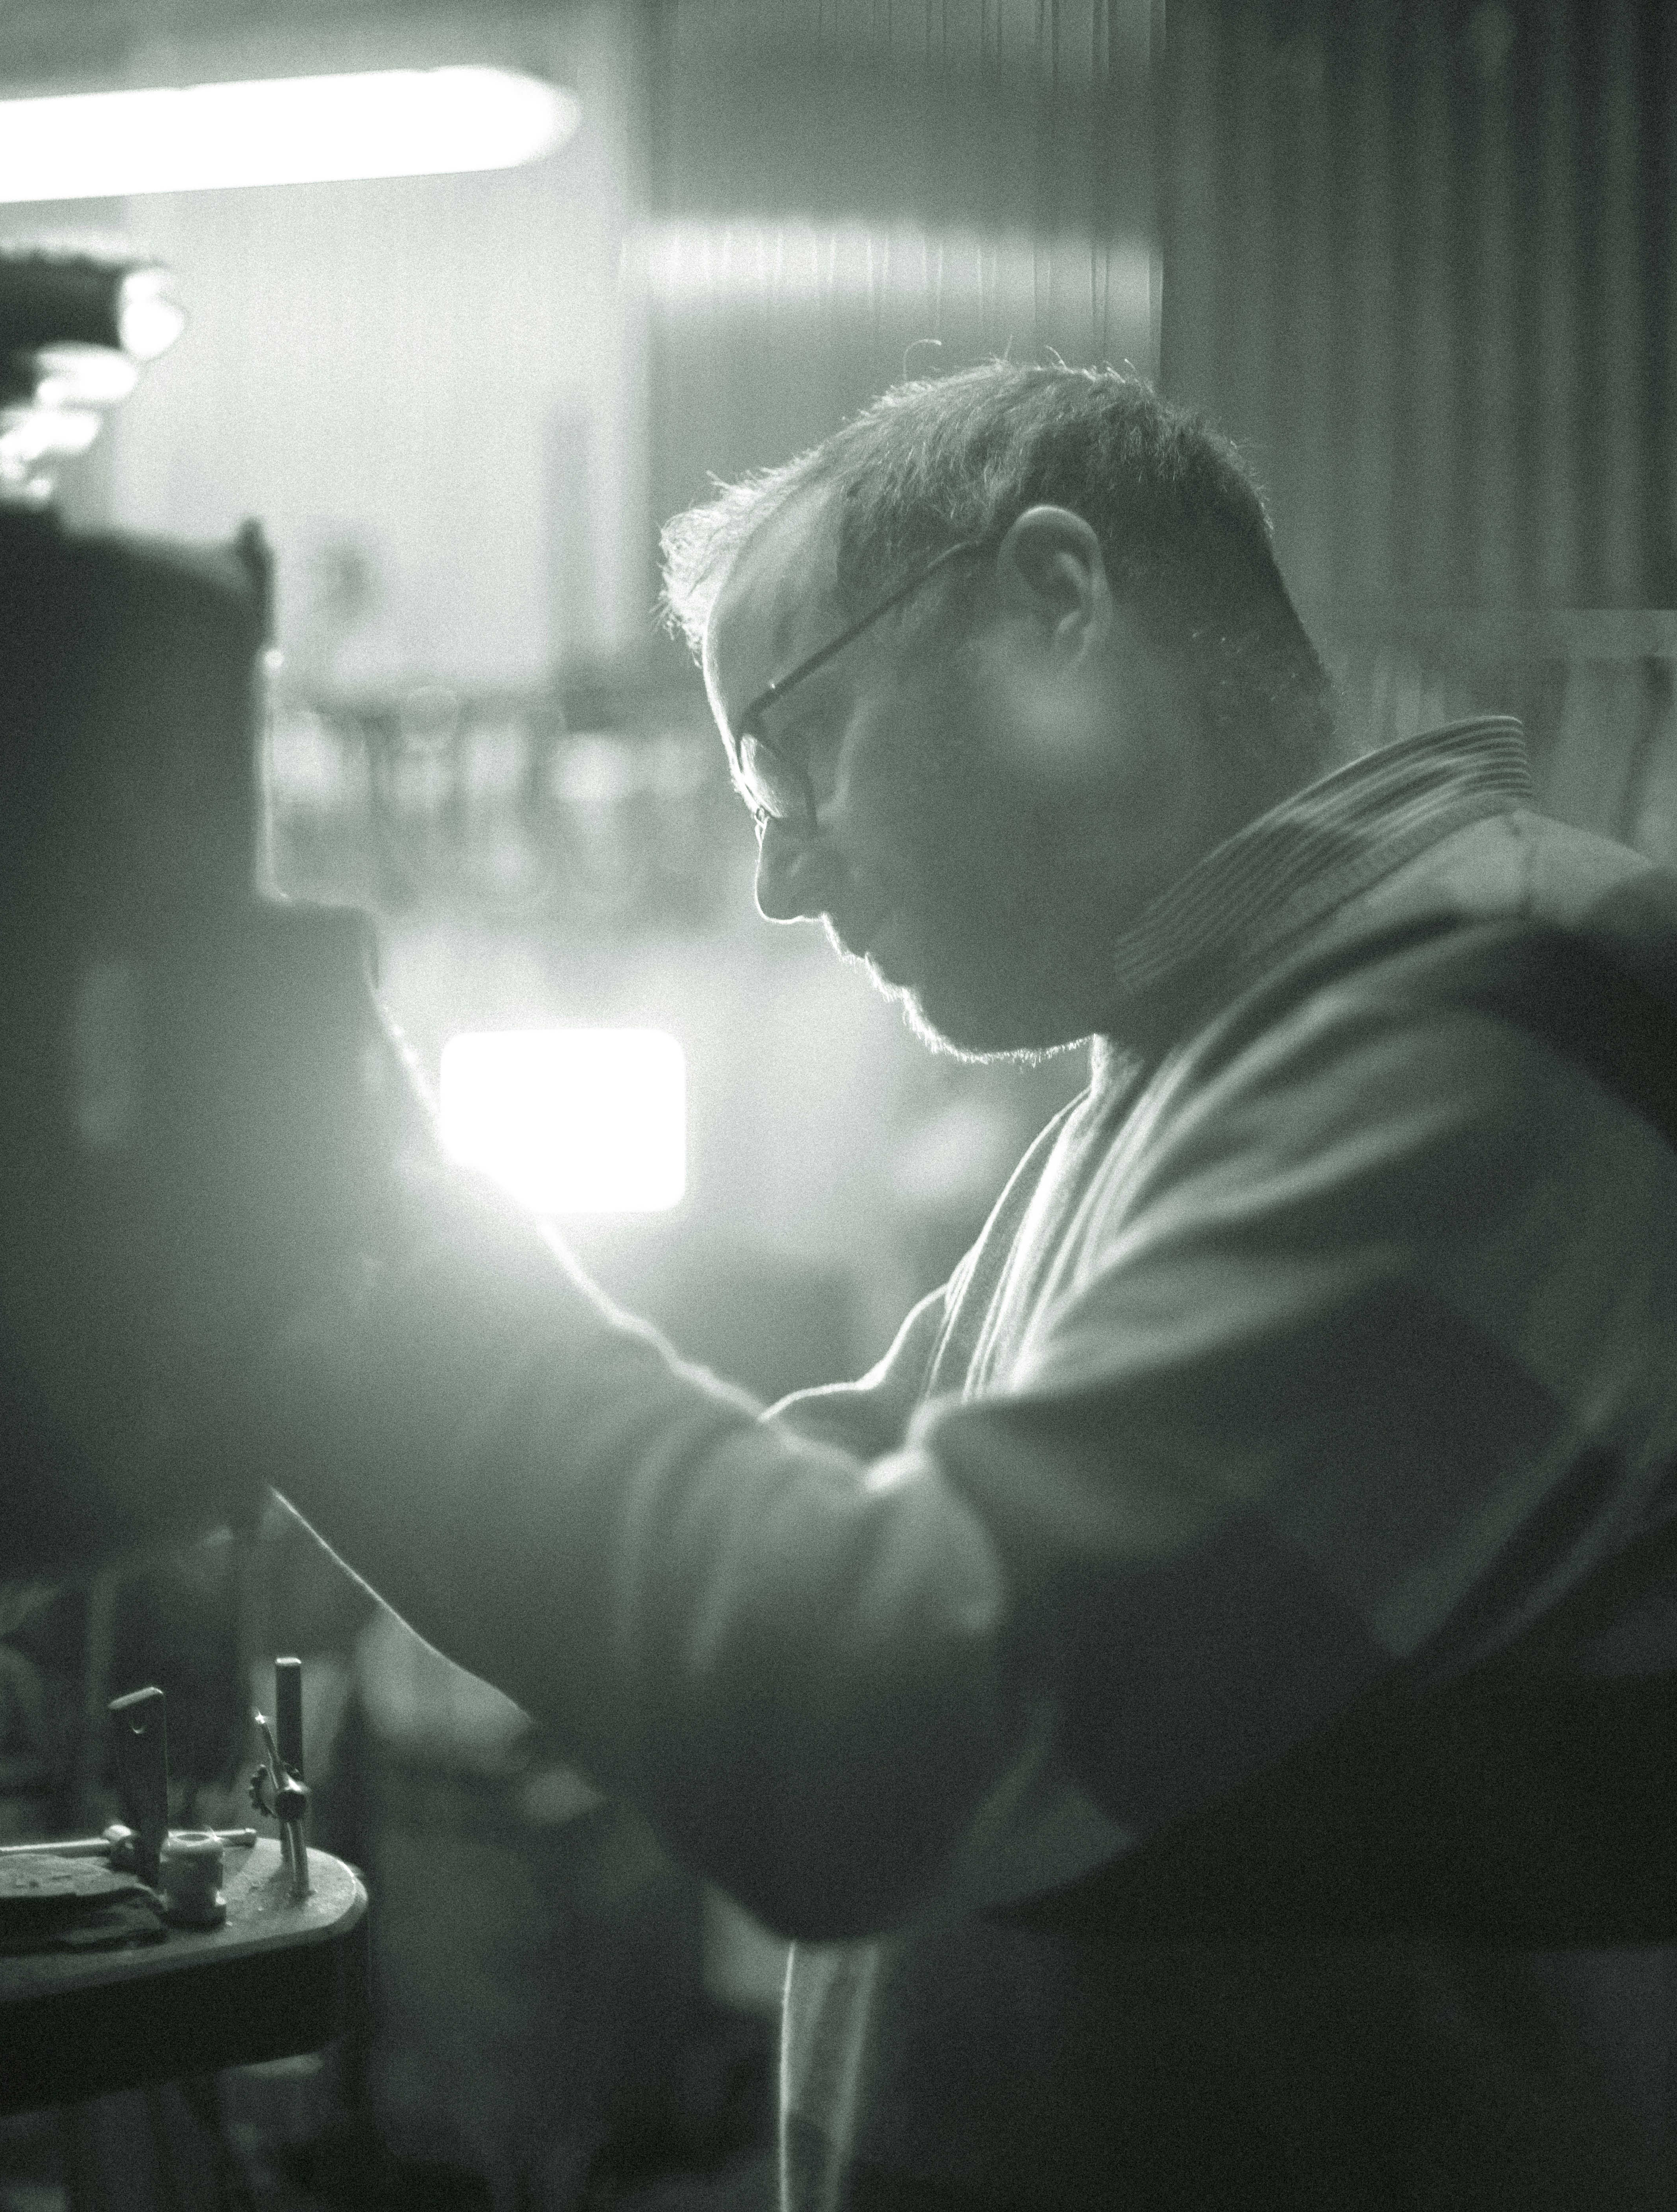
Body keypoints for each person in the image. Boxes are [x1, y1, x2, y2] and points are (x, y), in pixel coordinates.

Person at [256, 363, 1677, 2211]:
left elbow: (864, 1710)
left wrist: (334, 1263)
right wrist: (331, 1272)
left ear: (1055, 600)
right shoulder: (1200, 1063)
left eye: (790, 745)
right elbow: (779, 1543)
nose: (772, 873)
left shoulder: (1505, 1007)